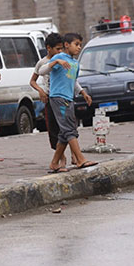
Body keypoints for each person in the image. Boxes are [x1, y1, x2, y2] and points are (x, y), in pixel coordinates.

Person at [30, 32, 92, 170]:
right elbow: (42, 71)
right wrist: (56, 62)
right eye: (76, 44)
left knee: (65, 132)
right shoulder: (59, 58)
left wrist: (83, 93)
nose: (79, 48)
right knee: (69, 129)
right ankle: (80, 159)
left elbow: (73, 81)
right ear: (66, 45)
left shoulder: (75, 63)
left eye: (80, 45)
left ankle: (54, 163)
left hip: (69, 98)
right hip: (58, 97)